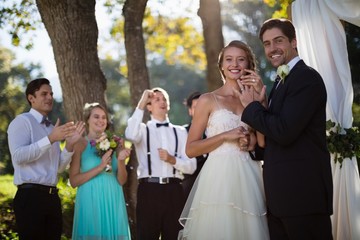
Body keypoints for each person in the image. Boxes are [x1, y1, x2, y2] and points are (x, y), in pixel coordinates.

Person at [238, 18, 333, 239]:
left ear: (294, 41)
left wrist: (252, 107)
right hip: (281, 199)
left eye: (278, 41)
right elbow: (274, 136)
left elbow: (284, 131)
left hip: (303, 196)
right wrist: (260, 112)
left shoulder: (306, 78)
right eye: (267, 43)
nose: (272, 49)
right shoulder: (281, 81)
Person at [179, 40, 269, 239]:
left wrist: (251, 139)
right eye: (229, 59)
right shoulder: (208, 100)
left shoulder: (254, 98)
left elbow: (262, 143)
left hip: (250, 175)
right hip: (219, 177)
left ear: (249, 65)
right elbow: (191, 149)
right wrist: (225, 136)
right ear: (221, 66)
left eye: (240, 59)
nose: (234, 64)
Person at [7, 78, 85, 240]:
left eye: (51, 94)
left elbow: (58, 168)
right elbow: (19, 157)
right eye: (44, 94)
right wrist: (50, 139)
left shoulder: (51, 128)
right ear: (31, 98)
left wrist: (69, 145)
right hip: (30, 197)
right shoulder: (21, 122)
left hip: (52, 198)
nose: (49, 97)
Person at [125, 87, 196, 240]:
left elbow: (191, 166)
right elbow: (130, 134)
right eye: (157, 99)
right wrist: (141, 103)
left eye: (164, 99)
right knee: (147, 236)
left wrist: (173, 160)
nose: (162, 102)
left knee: (173, 236)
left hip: (174, 191)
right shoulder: (142, 130)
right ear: (149, 106)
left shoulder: (181, 132)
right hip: (149, 191)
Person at [70, 102, 131, 239]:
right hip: (90, 200)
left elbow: (122, 180)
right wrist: (100, 167)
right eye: (96, 117)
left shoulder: (117, 142)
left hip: (113, 198)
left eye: (104, 117)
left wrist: (121, 160)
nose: (101, 120)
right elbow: (73, 181)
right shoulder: (79, 144)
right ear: (87, 120)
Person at [182, 91, 208, 200]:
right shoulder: (182, 132)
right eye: (196, 107)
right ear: (190, 111)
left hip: (213, 181)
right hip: (190, 185)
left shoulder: (216, 130)